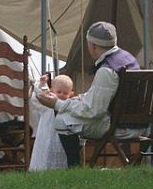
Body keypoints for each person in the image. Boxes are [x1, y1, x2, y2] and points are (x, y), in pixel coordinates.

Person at [36, 21, 138, 167]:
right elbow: (102, 96)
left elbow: (94, 111)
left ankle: (74, 166)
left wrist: (58, 104)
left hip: (121, 127)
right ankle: (77, 165)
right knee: (72, 115)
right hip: (137, 123)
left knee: (63, 120)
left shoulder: (107, 70)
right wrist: (77, 100)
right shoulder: (127, 58)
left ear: (93, 45)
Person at [28, 73, 74, 171]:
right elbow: (36, 99)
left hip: (61, 138)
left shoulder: (69, 106)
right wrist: (41, 84)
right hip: (45, 136)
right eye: (59, 92)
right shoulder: (46, 105)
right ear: (52, 91)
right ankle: (42, 169)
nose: (62, 95)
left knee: (61, 153)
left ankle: (61, 169)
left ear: (71, 94)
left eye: (65, 93)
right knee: (44, 153)